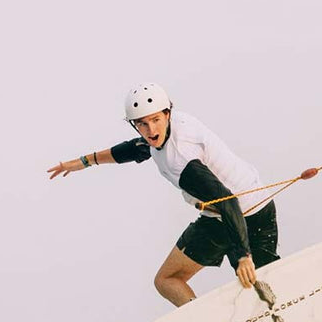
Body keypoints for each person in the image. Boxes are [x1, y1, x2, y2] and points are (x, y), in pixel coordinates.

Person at [48, 83, 280, 307]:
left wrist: (243, 255)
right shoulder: (170, 127)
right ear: (135, 125)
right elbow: (133, 149)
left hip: (246, 214)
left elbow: (227, 201)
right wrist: (85, 162)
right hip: (234, 211)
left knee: (255, 284)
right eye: (142, 124)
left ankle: (265, 309)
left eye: (155, 120)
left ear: (167, 114)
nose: (151, 130)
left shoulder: (181, 159)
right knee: (168, 280)